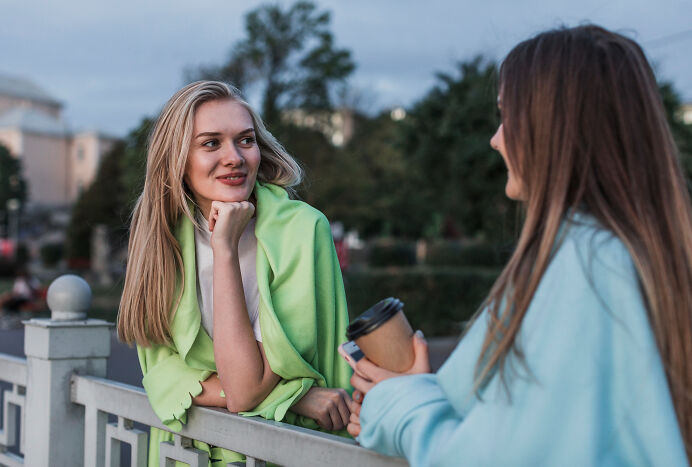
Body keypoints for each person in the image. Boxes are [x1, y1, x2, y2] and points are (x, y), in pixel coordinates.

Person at [347, 25, 692, 466]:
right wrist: (415, 393)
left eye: (508, 116)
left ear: (553, 128)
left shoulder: (586, 268)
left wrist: (398, 408)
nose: (496, 138)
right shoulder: (638, 256)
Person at [117, 81, 353, 465]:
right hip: (183, 451)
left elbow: (244, 391)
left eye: (245, 140)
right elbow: (160, 374)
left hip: (276, 451)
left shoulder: (301, 230)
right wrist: (292, 396)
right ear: (177, 159)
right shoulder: (160, 237)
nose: (235, 158)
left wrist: (224, 249)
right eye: (211, 143)